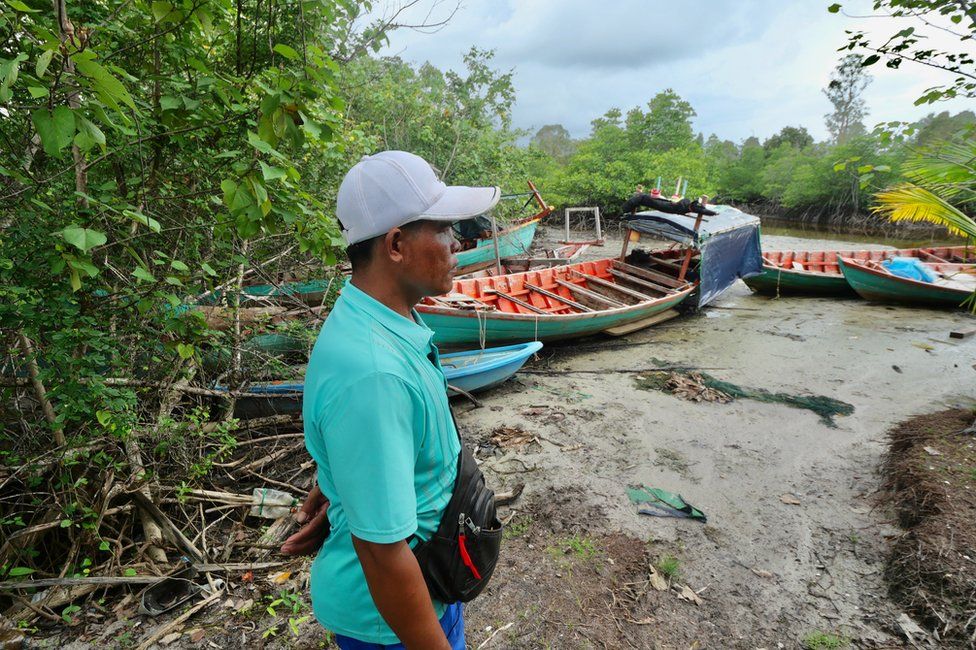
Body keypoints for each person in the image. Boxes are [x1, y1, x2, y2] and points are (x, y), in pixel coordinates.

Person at [280, 151, 500, 649]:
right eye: (444, 229)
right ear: (396, 244)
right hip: (394, 621)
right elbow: (382, 553)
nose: (458, 244)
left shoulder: (379, 316)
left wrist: (340, 488)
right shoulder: (374, 372)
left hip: (422, 589)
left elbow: (371, 441)